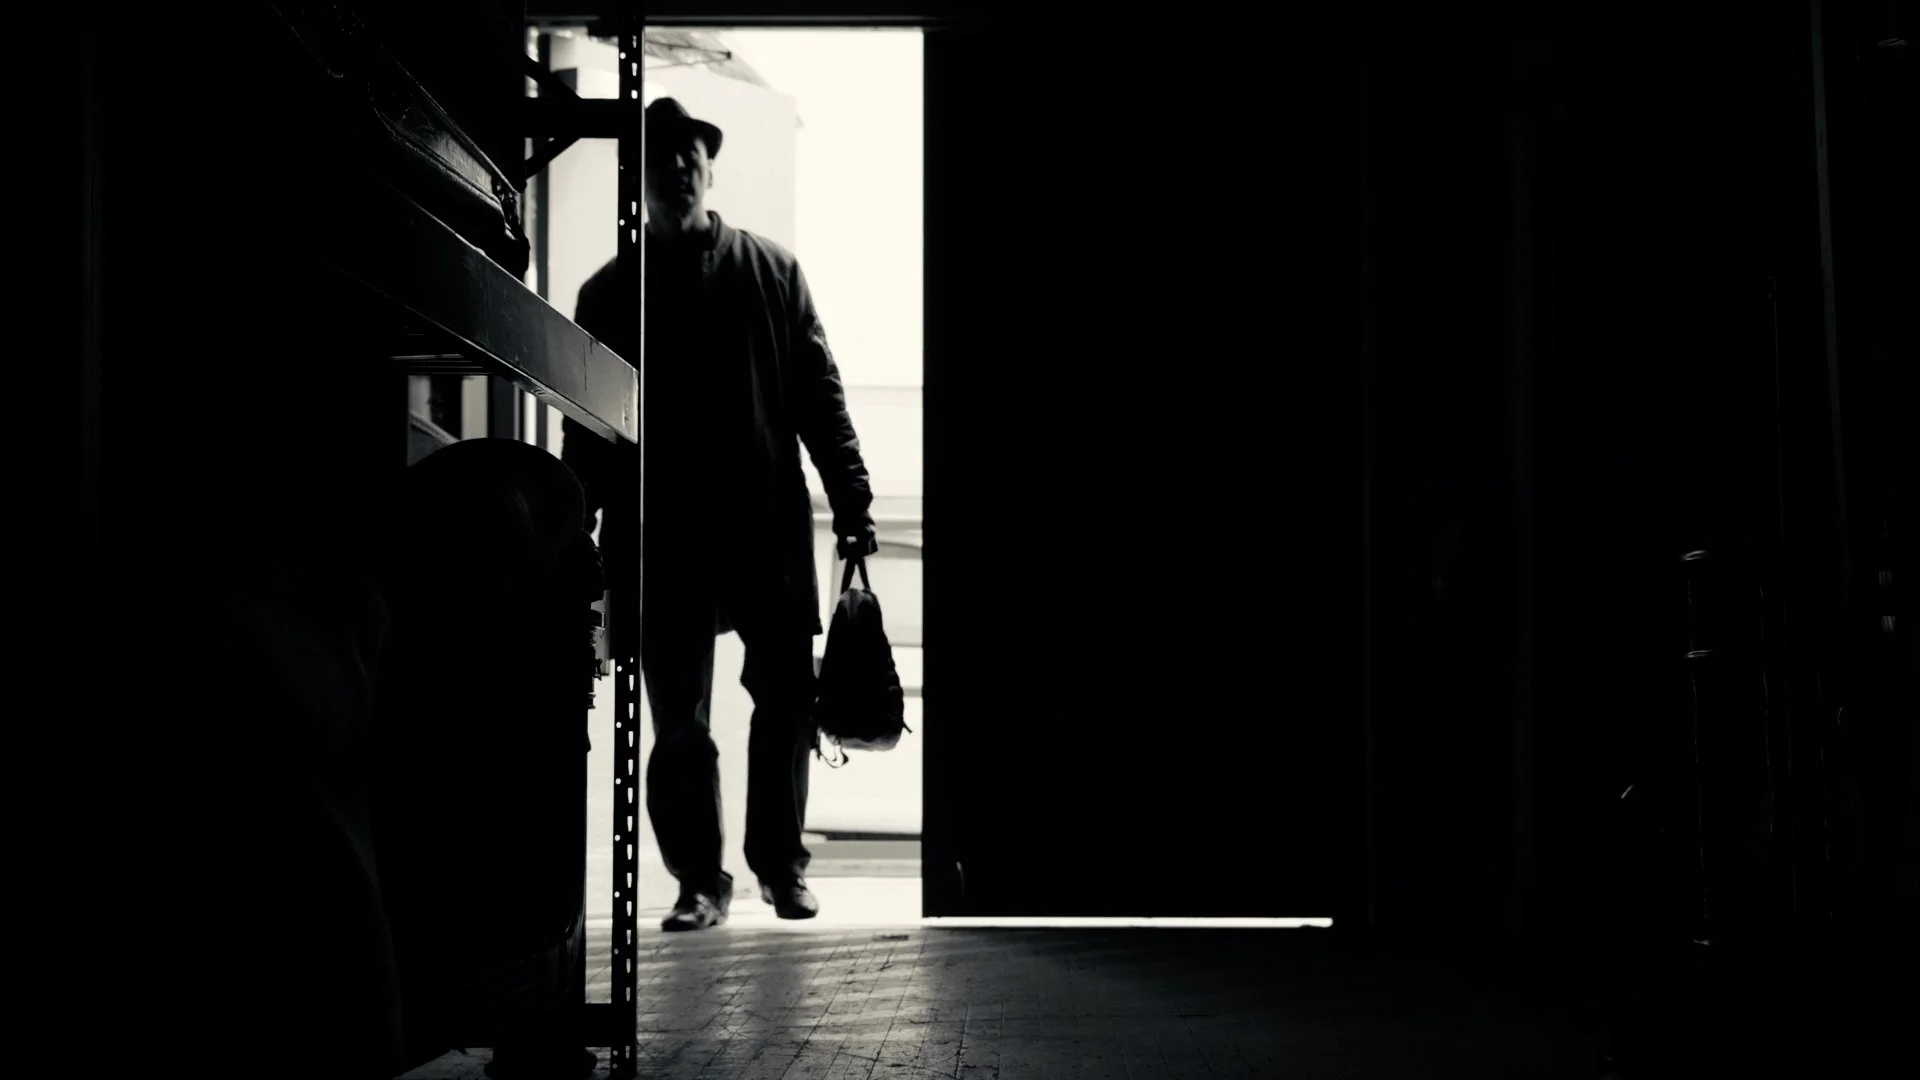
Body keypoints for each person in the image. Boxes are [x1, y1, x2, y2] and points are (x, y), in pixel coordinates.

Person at [561, 97, 878, 931]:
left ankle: (773, 867)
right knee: (680, 726)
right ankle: (703, 880)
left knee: (780, 707)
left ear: (707, 169)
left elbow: (821, 402)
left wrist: (854, 501)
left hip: (755, 532)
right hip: (668, 541)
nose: (677, 173)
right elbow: (587, 430)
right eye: (663, 161)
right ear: (644, 178)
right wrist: (570, 524)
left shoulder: (769, 275)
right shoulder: (609, 292)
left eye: (688, 160)